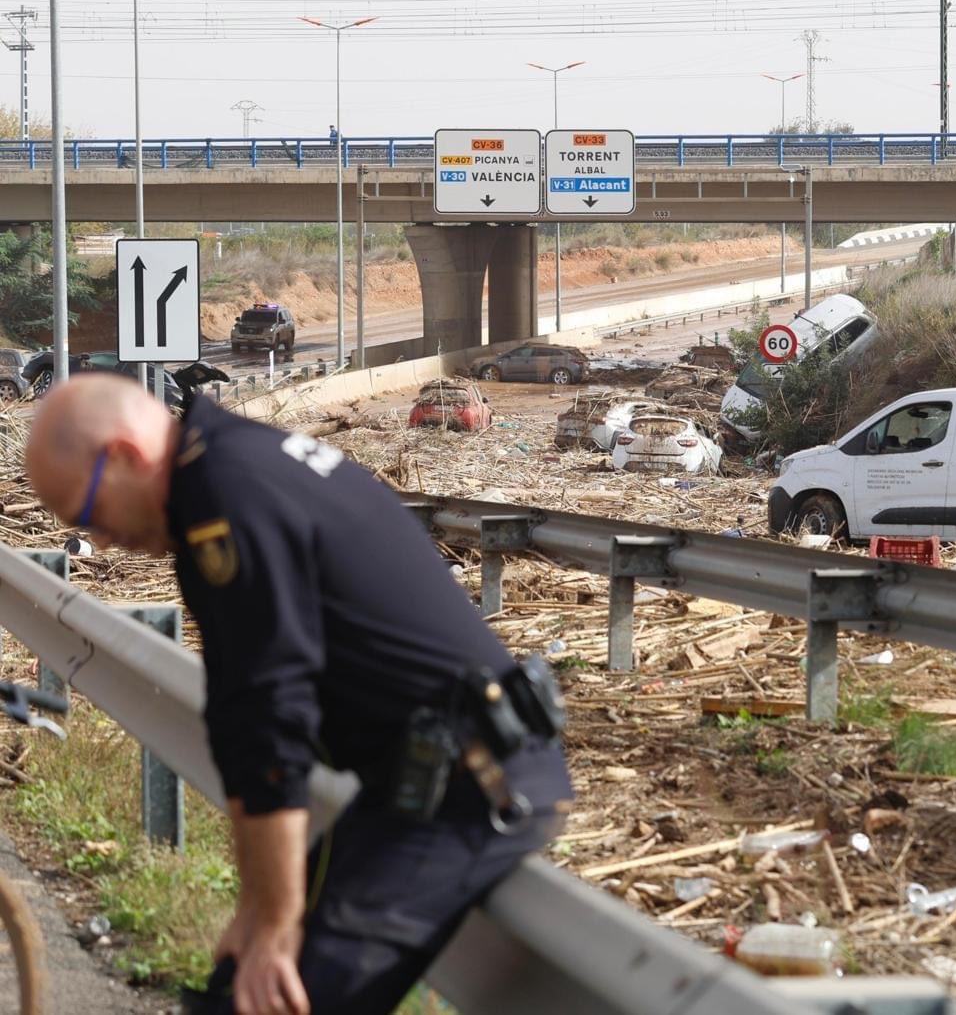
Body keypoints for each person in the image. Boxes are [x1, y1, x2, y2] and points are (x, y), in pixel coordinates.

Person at [26, 375, 573, 1015]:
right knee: (240, 991)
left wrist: (276, 923)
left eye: (89, 515)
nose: (104, 539)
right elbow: (244, 712)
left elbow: (270, 713)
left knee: (277, 1002)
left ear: (123, 454)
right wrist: (261, 912)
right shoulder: (225, 466)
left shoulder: (224, 491)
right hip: (422, 785)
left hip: (478, 786)